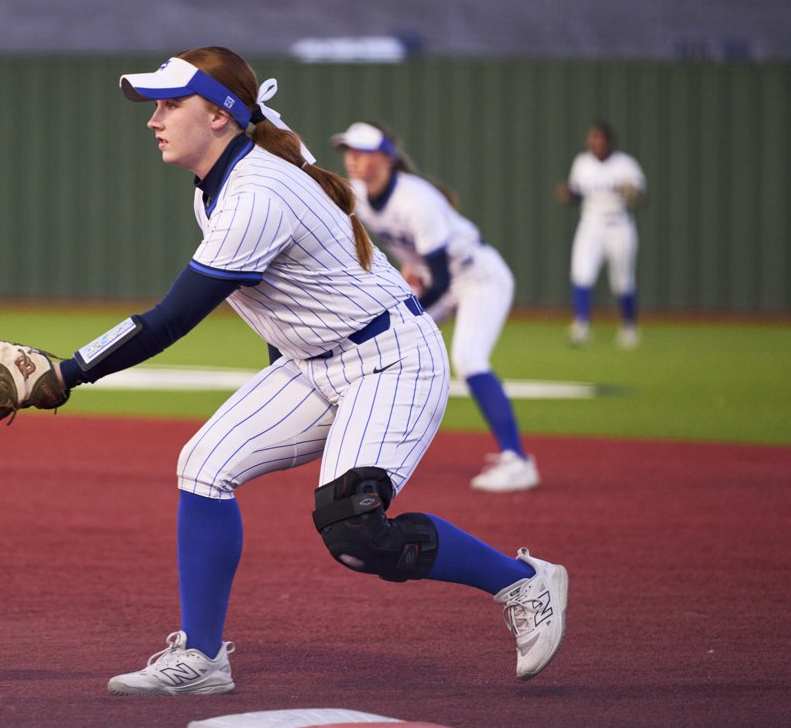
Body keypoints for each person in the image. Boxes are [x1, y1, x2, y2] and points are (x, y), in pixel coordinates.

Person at [48, 47, 567, 695]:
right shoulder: (222, 183)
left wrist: (61, 374)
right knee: (203, 466)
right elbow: (281, 306)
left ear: (219, 116)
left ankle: (522, 583)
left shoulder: (258, 192)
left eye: (170, 104)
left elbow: (169, 320)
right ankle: (203, 659)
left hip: (390, 360)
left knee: (356, 532)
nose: (154, 119)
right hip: (317, 363)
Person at [330, 121, 539, 493]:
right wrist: (411, 270)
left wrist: (403, 307)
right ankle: (377, 445)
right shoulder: (361, 194)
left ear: (387, 159)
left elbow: (442, 280)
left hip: (479, 277)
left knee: (470, 359)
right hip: (438, 280)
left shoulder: (416, 200)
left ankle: (518, 461)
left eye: (361, 152)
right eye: (349, 151)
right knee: (381, 347)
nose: (352, 160)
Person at [555, 121, 647, 348]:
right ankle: (581, 326)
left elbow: (643, 198)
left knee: (623, 279)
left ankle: (629, 327)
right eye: (592, 138)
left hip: (619, 223)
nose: (594, 142)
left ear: (609, 141)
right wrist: (568, 194)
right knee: (581, 273)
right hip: (591, 223)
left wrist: (631, 193)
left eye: (599, 138)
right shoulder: (582, 163)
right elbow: (577, 195)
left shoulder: (625, 164)